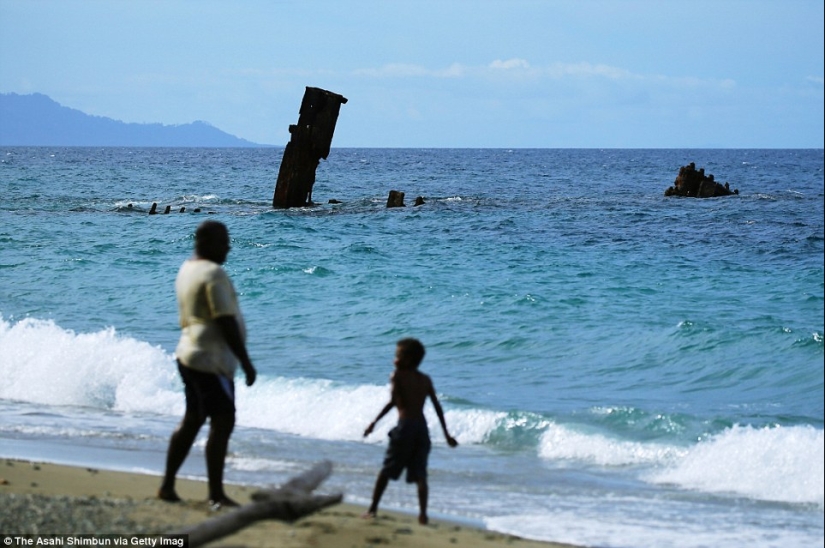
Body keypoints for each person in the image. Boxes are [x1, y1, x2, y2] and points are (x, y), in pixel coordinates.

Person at [158, 220, 257, 509]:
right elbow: (224, 320)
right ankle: (216, 493)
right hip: (209, 360)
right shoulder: (213, 273)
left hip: (188, 353)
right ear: (208, 242)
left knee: (193, 419)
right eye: (224, 240)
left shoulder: (188, 267)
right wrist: (246, 361)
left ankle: (167, 485)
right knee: (223, 421)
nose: (228, 246)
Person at [363, 338, 458, 524]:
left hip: (405, 427)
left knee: (387, 469)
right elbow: (437, 407)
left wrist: (374, 422)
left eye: (397, 356)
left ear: (408, 359)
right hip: (422, 430)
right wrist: (447, 434)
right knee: (421, 474)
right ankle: (423, 514)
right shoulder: (425, 379)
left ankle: (372, 509)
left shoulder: (397, 376)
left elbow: (393, 402)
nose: (394, 360)